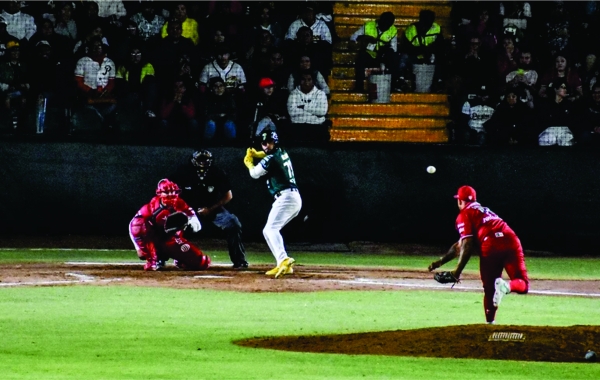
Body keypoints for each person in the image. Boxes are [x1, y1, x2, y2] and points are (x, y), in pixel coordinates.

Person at [428, 185, 529, 324]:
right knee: (522, 283)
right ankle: (507, 287)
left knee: (489, 289)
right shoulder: (485, 211)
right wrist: (441, 261)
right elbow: (459, 246)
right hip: (511, 239)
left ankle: (490, 323)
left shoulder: (464, 214)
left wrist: (457, 271)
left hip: (491, 244)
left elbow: (467, 245)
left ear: (460, 201)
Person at [172, 150, 248, 269]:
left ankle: (239, 261)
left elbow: (228, 195)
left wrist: (210, 209)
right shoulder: (183, 172)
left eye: (205, 160)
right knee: (166, 223)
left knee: (233, 223)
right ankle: (163, 259)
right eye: (200, 160)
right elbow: (172, 191)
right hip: (187, 211)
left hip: (213, 209)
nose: (202, 163)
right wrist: (184, 210)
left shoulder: (217, 172)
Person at [243, 129, 301, 278]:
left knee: (270, 229)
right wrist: (257, 154)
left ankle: (283, 259)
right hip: (291, 198)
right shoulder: (281, 152)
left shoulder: (271, 159)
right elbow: (269, 155)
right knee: (269, 230)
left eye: (270, 142)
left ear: (275, 142)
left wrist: (249, 163)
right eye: (264, 143)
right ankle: (283, 263)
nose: (267, 145)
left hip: (286, 197)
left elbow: (255, 174)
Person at [129, 178, 209, 271]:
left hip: (171, 239)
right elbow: (133, 226)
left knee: (202, 262)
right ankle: (153, 260)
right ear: (159, 193)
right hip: (155, 239)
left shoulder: (180, 203)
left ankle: (178, 258)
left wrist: (191, 225)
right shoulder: (151, 207)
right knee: (139, 225)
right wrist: (138, 247)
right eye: (167, 192)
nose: (171, 195)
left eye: (173, 192)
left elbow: (195, 222)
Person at [349, 11, 398, 92]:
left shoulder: (393, 30)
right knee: (361, 56)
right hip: (369, 55)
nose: (385, 26)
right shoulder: (369, 26)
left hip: (382, 57)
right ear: (380, 20)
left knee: (393, 57)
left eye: (388, 25)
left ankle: (392, 87)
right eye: (384, 23)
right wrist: (365, 37)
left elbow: (394, 48)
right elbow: (353, 37)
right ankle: (359, 87)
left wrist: (386, 49)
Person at [286, 70, 330, 143]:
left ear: (313, 81)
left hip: (316, 127)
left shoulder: (320, 94)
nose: (306, 82)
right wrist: (313, 112)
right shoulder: (293, 94)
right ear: (300, 81)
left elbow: (322, 111)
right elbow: (291, 112)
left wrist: (303, 107)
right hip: (297, 127)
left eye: (309, 80)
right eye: (303, 79)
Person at [202, 76, 237, 143]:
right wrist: (219, 116)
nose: (219, 88)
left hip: (226, 122)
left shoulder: (229, 98)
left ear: (224, 87)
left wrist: (225, 117)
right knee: (210, 124)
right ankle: (207, 143)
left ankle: (231, 144)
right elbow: (205, 115)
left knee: (229, 124)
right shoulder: (208, 99)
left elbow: (234, 114)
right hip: (213, 122)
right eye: (216, 86)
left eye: (221, 86)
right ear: (212, 88)